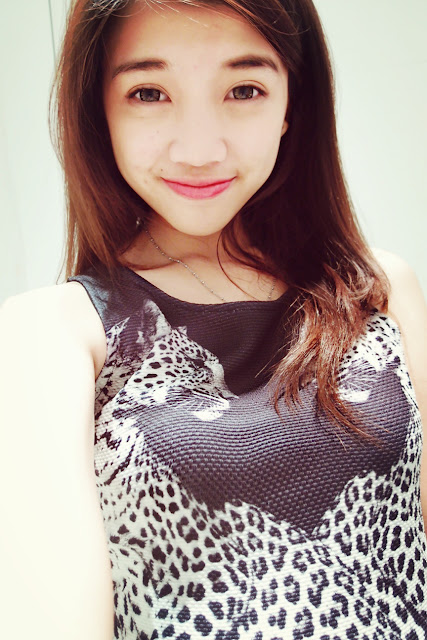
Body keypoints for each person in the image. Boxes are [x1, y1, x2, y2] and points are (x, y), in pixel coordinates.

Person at [1, 0, 426, 638]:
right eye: (149, 93)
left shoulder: (376, 289)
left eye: (244, 89)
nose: (199, 150)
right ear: (99, 112)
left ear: (293, 103)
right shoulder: (53, 333)